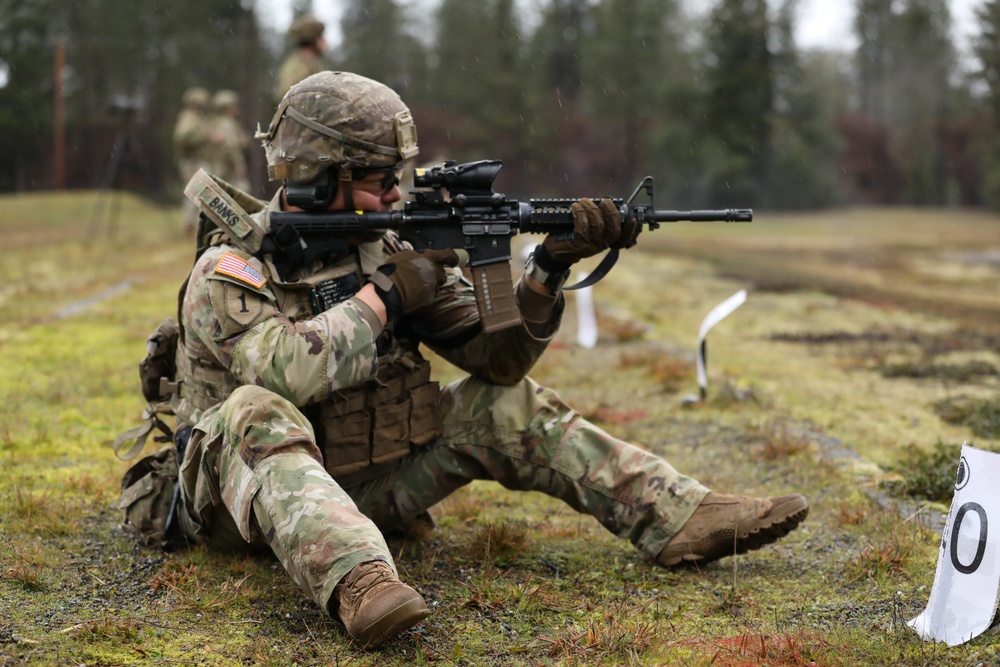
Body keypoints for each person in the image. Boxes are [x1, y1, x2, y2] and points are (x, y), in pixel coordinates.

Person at [127, 71, 809, 650]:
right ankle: (360, 582)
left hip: (369, 480)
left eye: (396, 177)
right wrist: (387, 296)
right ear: (316, 178)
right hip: (238, 508)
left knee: (505, 405)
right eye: (376, 180)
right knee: (255, 408)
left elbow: (498, 361)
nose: (396, 195)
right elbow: (283, 372)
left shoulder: (387, 244)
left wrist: (545, 269)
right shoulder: (231, 269)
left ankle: (677, 514)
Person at [172, 86, 212, 231]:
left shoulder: (196, 118)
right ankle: (190, 224)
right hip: (192, 162)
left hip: (196, 161)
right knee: (194, 193)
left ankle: (195, 224)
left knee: (199, 193)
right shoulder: (189, 118)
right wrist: (205, 137)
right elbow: (183, 137)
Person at [274, 14, 329, 104]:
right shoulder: (297, 65)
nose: (325, 42)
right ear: (313, 41)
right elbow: (284, 96)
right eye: (321, 38)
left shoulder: (312, 62)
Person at [206, 89, 250, 191]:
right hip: (228, 171)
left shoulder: (215, 122)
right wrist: (238, 167)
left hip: (219, 169)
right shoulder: (227, 124)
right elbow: (232, 146)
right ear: (228, 107)